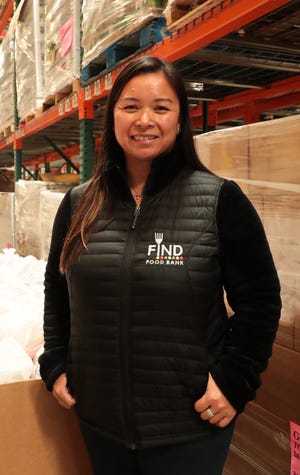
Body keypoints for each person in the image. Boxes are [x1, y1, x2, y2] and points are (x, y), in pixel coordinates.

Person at [39, 55, 281, 475]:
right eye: (130, 106)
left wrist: (233, 383)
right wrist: (56, 365)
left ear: (179, 119)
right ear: (111, 116)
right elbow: (58, 292)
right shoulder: (79, 204)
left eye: (161, 107)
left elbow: (260, 301)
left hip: (188, 427)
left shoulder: (219, 200)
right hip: (101, 424)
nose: (144, 120)